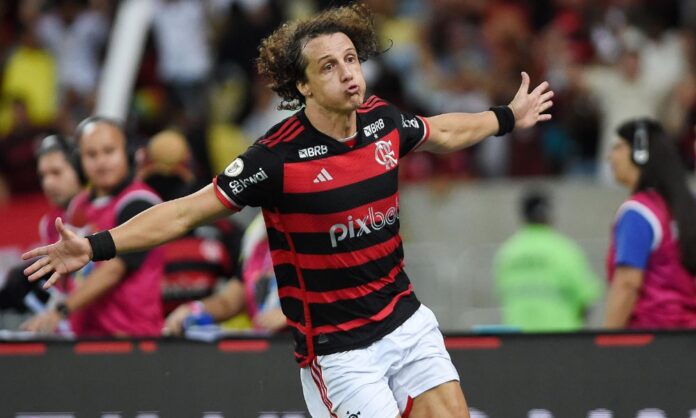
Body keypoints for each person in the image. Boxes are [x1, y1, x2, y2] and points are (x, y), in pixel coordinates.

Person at [23, 4, 554, 417]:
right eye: (329, 66)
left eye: (351, 59)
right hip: (340, 353)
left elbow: (445, 131)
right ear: (302, 86)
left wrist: (507, 116)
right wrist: (95, 245)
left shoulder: (383, 122)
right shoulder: (274, 158)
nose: (348, 73)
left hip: (406, 322)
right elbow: (184, 213)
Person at [22, 117, 165, 337]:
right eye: (91, 154)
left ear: (127, 153)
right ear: (79, 161)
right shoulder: (78, 206)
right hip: (84, 338)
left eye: (109, 151)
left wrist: (61, 310)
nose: (101, 162)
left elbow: (114, 270)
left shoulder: (140, 202)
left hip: (131, 337)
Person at [137, 129, 243, 316]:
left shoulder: (223, 230)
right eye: (158, 180)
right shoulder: (130, 223)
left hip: (206, 329)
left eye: (173, 181)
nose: (166, 187)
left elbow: (244, 286)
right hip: (146, 326)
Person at [604, 118, 696, 329]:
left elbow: (627, 284)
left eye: (618, 147)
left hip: (649, 337)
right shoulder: (686, 208)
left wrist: (606, 341)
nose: (610, 157)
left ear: (640, 153)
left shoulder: (639, 212)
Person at [493, 189, 602, 332]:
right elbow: (586, 297)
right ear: (550, 215)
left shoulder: (507, 252)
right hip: (560, 337)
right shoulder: (564, 249)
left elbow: (502, 294)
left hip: (518, 338)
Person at [163, 213, 285, 335]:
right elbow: (229, 302)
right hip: (267, 342)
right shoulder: (257, 234)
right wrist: (192, 309)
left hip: (292, 340)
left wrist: (288, 316)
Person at [0, 134, 82, 315]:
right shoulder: (49, 223)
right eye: (43, 176)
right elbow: (62, 287)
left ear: (79, 170)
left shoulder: (97, 212)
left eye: (56, 172)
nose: (48, 183)